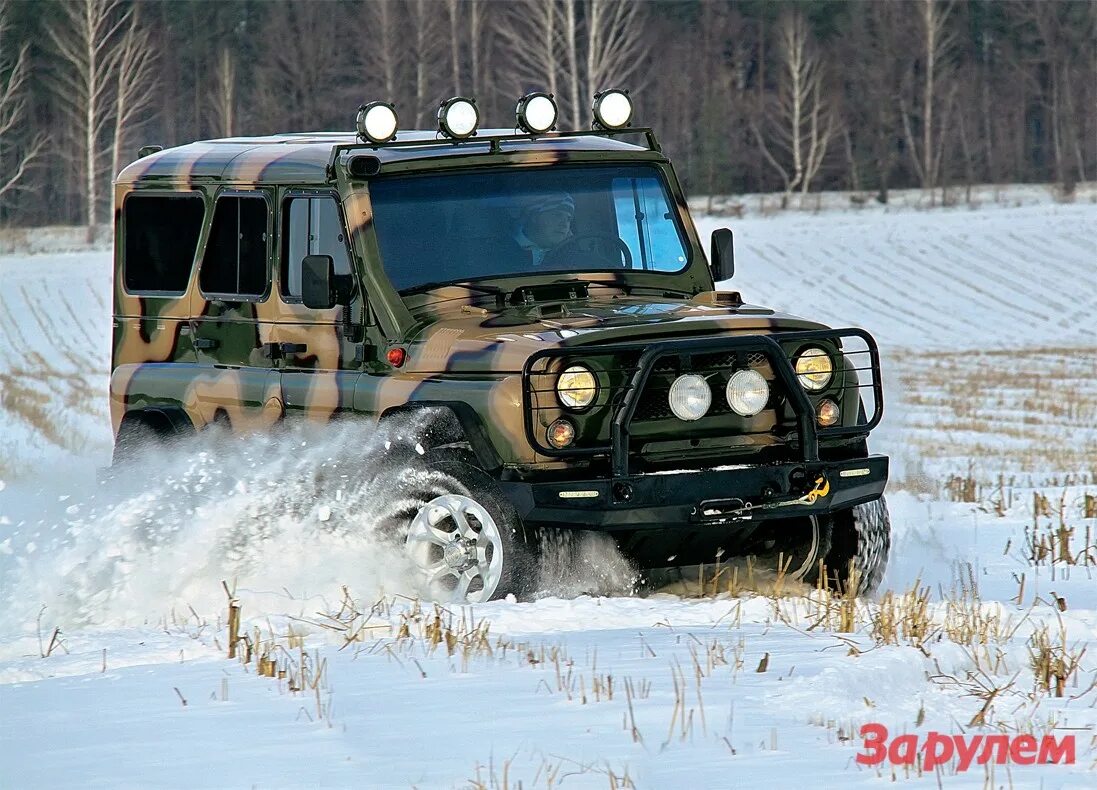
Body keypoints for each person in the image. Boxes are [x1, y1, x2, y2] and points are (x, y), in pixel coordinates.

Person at [512, 192, 575, 266]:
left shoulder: (570, 255)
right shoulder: (503, 248)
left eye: (568, 219)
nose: (564, 225)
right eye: (557, 215)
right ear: (535, 217)